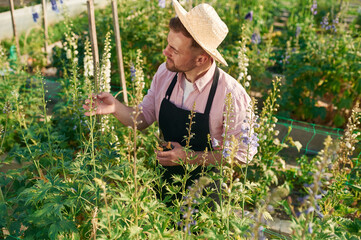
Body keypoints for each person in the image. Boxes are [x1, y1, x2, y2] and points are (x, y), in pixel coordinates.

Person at [83, 0, 257, 203]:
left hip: (204, 201)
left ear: (201, 59)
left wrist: (188, 157)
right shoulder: (165, 73)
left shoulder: (231, 94)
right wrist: (115, 107)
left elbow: (242, 155)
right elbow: (144, 117)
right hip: (163, 188)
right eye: (168, 44)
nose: (165, 52)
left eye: (174, 50)